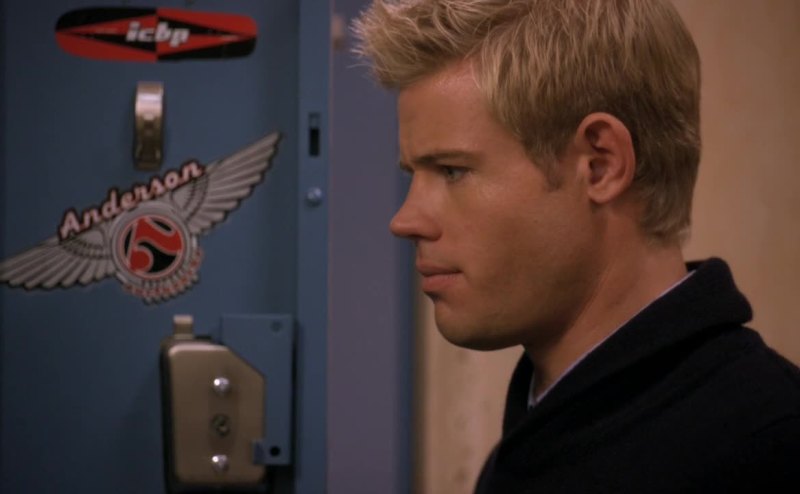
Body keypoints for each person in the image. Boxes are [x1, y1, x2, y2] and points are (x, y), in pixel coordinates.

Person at [353, 0, 800, 492]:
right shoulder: (532, 445)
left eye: (452, 170)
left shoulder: (769, 446)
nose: (405, 220)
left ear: (600, 165)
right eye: (412, 174)